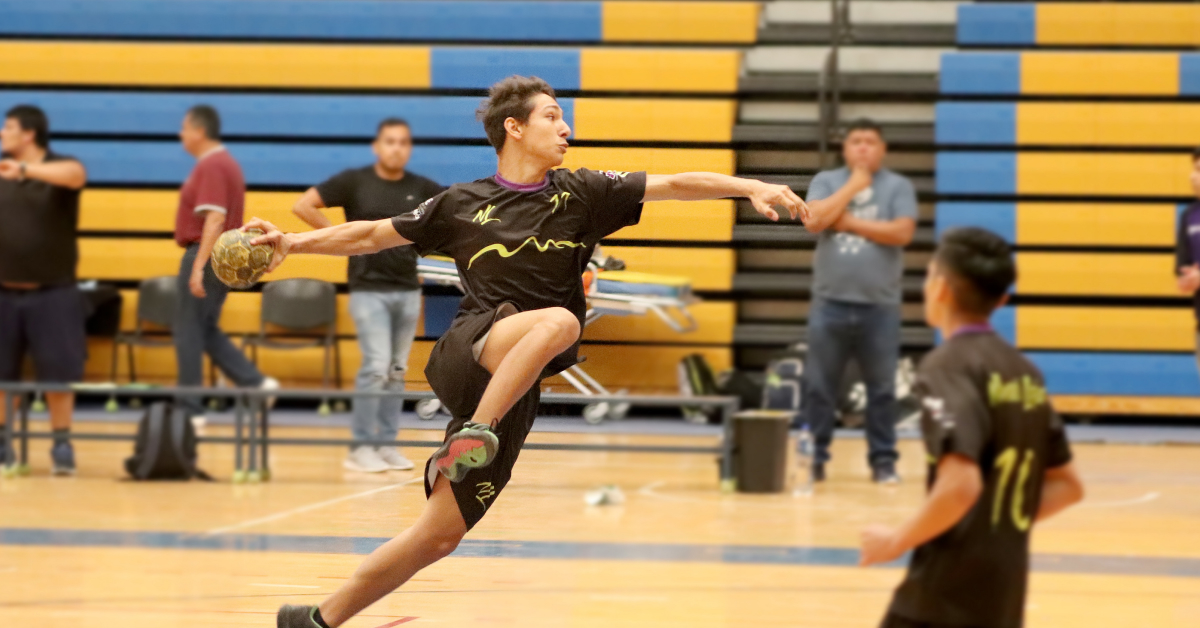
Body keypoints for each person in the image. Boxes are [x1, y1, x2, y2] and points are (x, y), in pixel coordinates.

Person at [257, 75, 812, 628]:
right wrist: (291, 241)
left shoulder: (583, 192)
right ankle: (476, 430)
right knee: (562, 321)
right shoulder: (461, 203)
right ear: (513, 127)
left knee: (440, 534)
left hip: (513, 389)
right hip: (468, 351)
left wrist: (748, 187)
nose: (565, 127)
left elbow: (677, 184)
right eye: (552, 115)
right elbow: (372, 235)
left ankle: (315, 619)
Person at [859, 227, 1085, 628]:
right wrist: (991, 524)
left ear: (941, 288)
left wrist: (895, 540)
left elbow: (960, 485)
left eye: (928, 276)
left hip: (941, 598)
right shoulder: (1024, 371)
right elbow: (1068, 486)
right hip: (1003, 598)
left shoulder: (948, 365)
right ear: (1001, 299)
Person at [293, 118, 443, 473]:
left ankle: (386, 445)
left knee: (395, 370)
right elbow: (303, 206)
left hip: (406, 289)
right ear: (378, 146)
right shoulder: (354, 181)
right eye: (390, 141)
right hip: (367, 289)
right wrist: (339, 237)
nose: (396, 148)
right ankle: (360, 448)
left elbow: (449, 216)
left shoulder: (421, 187)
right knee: (375, 368)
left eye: (403, 142)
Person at [802, 118, 919, 484]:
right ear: (845, 148)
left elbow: (901, 232)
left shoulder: (898, 186)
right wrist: (853, 186)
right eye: (857, 141)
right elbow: (815, 220)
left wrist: (850, 222)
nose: (864, 148)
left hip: (880, 307)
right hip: (829, 304)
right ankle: (815, 459)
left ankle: (884, 462)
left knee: (882, 390)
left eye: (871, 141)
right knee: (820, 385)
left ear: (883, 149)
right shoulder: (828, 180)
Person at [0, 105, 87, 475]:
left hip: (53, 291)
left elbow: (76, 176)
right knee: (3, 376)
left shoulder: (58, 166)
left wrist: (23, 170)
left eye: (9, 127)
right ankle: (4, 443)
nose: (3, 133)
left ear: (29, 134)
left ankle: (62, 443)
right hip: (4, 292)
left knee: (57, 374)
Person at [173, 105, 276, 417]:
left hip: (205, 253)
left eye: (184, 128)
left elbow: (215, 219)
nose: (181, 135)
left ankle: (190, 410)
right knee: (203, 329)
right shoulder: (223, 164)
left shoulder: (214, 165)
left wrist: (197, 266)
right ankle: (255, 384)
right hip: (219, 256)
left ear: (199, 131)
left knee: (188, 329)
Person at [1175, 148, 1200, 376]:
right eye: (1193, 169)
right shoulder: (1188, 216)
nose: (1193, 176)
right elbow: (1183, 266)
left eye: (1199, 170)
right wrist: (1187, 279)